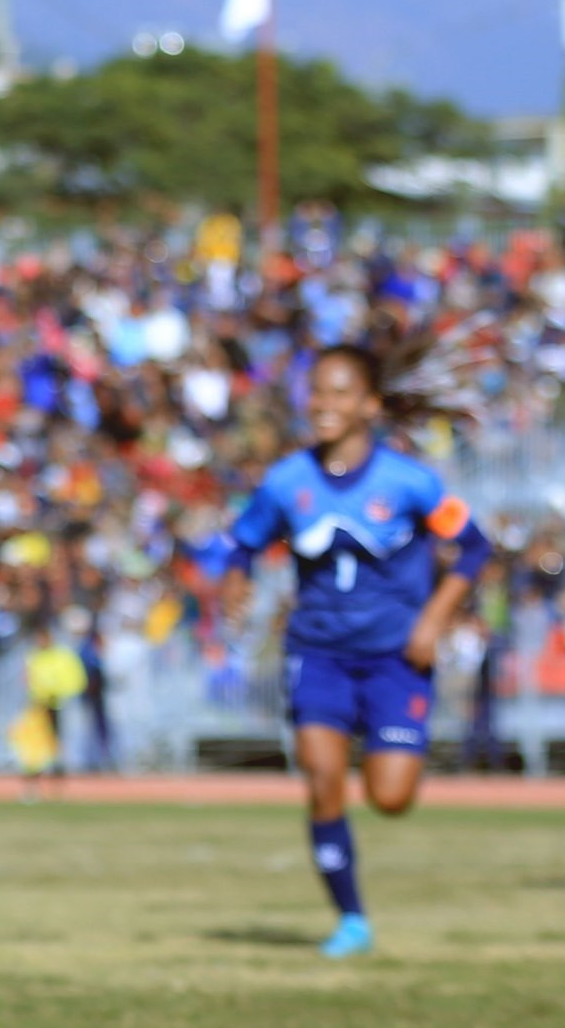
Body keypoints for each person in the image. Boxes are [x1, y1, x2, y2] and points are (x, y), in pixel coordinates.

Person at [190, 344, 490, 960]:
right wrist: (237, 582)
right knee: (323, 779)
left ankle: (388, 745)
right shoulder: (286, 481)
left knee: (390, 798)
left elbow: (476, 549)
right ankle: (351, 919)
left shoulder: (409, 481)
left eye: (340, 393)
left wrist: (433, 620)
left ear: (370, 405)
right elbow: (243, 543)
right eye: (317, 392)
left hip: (394, 657)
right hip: (317, 652)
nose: (324, 404)